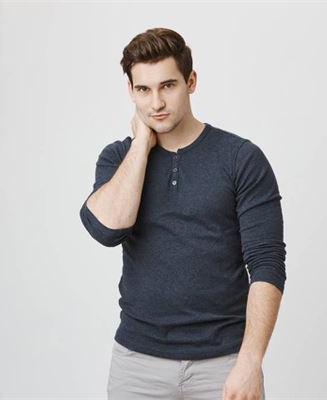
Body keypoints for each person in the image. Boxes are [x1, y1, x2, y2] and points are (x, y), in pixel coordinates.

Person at [80, 27, 286, 400]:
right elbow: (107, 230)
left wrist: (251, 361)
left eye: (168, 86)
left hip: (223, 363)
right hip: (137, 365)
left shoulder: (241, 159)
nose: (156, 102)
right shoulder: (119, 158)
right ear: (130, 91)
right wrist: (142, 145)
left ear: (191, 82)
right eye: (144, 90)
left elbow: (267, 263)